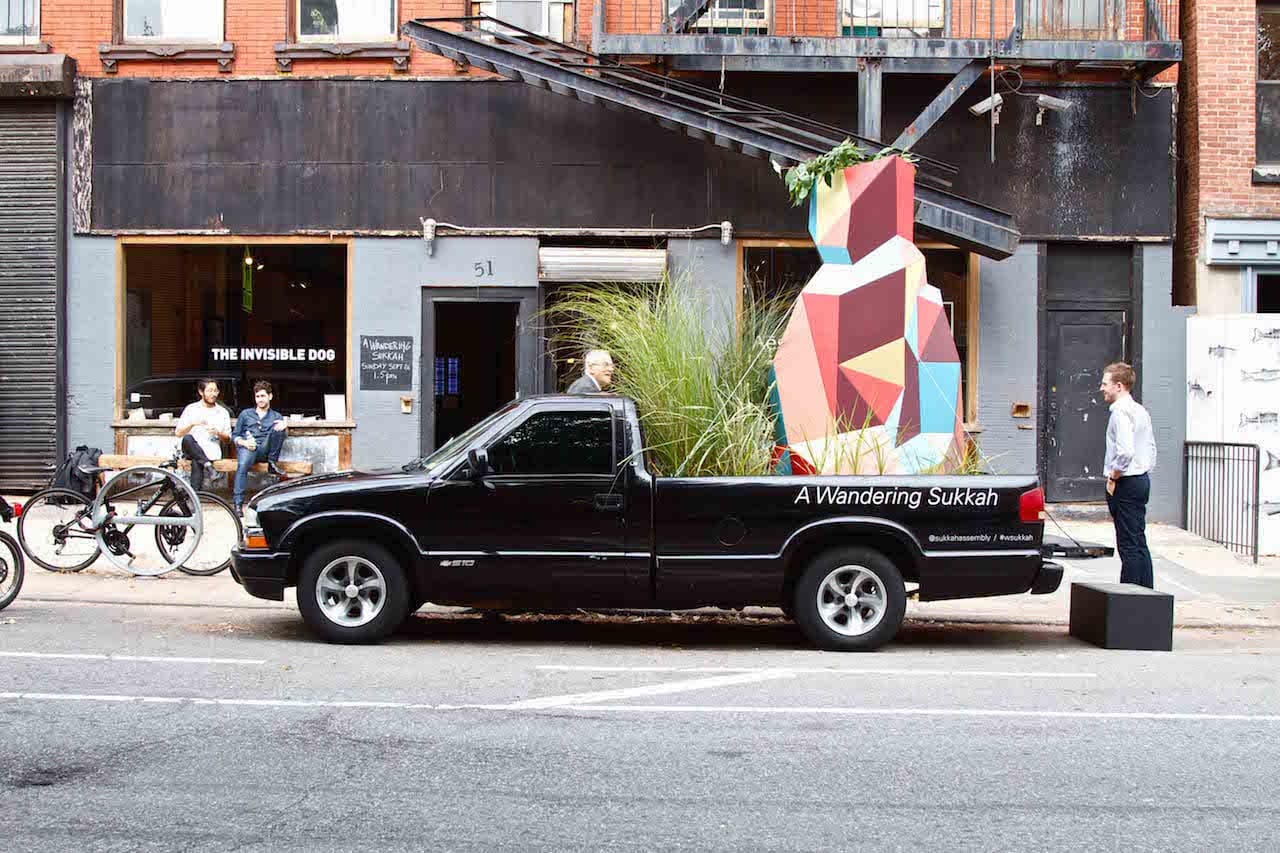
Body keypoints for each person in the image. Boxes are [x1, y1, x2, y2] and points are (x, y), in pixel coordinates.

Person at [1099, 361, 1157, 589]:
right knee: (1138, 540)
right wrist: (1143, 470)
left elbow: (1125, 451)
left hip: (1126, 481)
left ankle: (1129, 598)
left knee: (1128, 544)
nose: (1101, 388)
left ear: (1119, 386)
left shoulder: (1120, 413)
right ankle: (1147, 594)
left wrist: (1114, 476)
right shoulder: (1140, 411)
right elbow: (1151, 448)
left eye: (1105, 384)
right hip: (1140, 479)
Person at [231, 380, 288, 514]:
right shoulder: (246, 414)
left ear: (270, 396)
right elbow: (235, 435)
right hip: (248, 447)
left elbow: (280, 436)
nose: (260, 399)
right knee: (243, 465)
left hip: (265, 451)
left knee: (279, 428)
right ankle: (238, 504)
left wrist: (285, 426)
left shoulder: (276, 416)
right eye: (257, 396)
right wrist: (244, 443)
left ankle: (272, 463)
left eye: (263, 396)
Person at [175, 378, 231, 493]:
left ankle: (194, 498)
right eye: (209, 391)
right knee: (188, 438)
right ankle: (209, 467)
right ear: (201, 392)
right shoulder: (191, 409)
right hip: (190, 448)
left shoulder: (222, 412)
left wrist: (218, 433)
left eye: (215, 391)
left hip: (210, 450)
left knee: (198, 460)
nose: (213, 394)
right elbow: (178, 433)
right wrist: (192, 424)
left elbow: (228, 439)